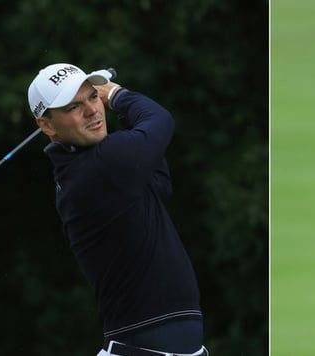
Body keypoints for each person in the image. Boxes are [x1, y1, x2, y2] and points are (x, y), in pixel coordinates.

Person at [28, 63, 208, 356]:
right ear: (47, 125)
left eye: (92, 97)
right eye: (74, 106)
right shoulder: (97, 168)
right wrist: (115, 95)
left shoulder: (101, 167)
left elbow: (160, 184)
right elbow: (158, 120)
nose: (91, 111)